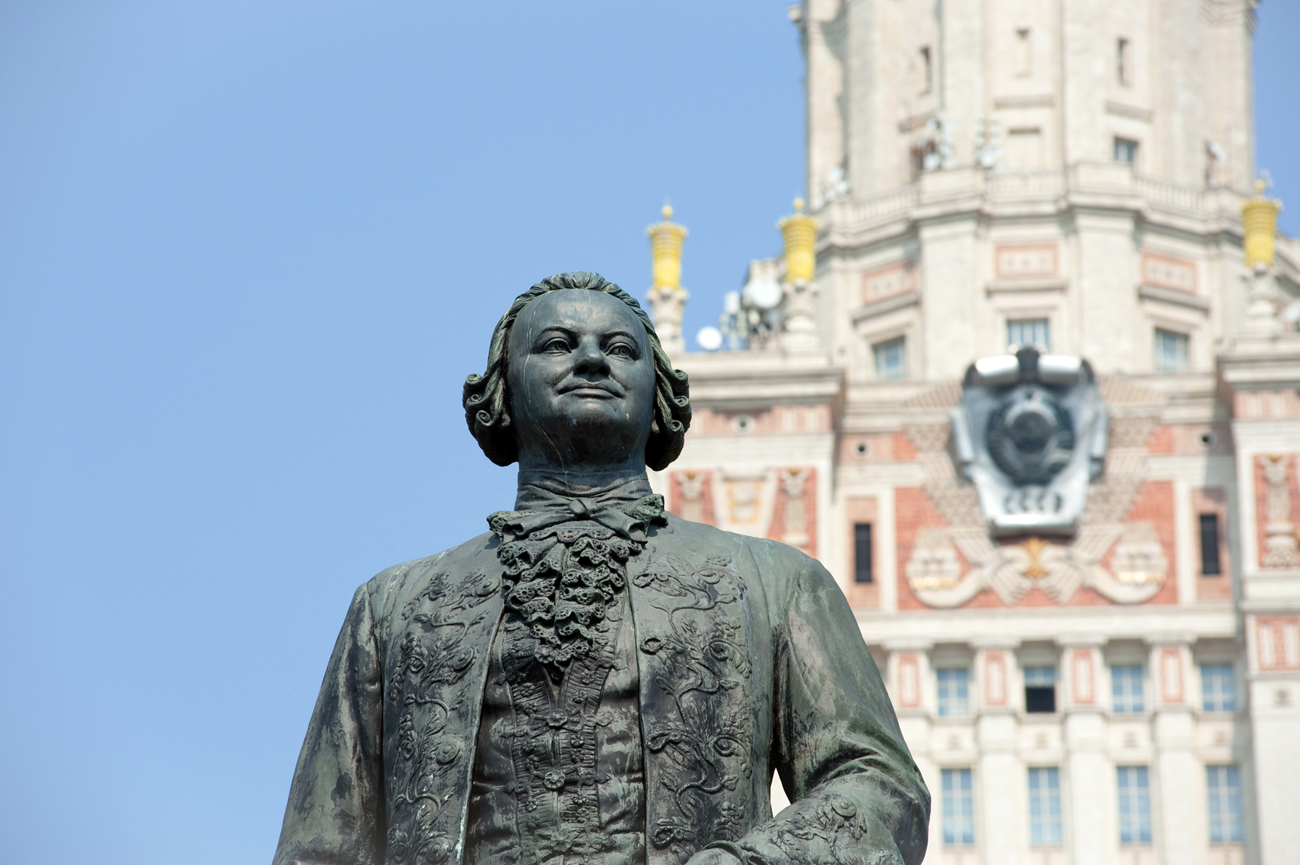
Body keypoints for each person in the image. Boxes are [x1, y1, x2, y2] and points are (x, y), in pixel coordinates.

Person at [273, 271, 929, 865]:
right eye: (557, 343)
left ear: (658, 395)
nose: (591, 357)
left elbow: (879, 784)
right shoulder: (395, 605)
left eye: (620, 349)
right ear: (501, 390)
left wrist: (751, 861)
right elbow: (321, 845)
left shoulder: (775, 581)